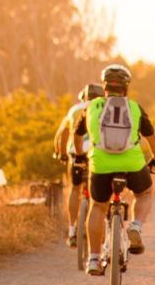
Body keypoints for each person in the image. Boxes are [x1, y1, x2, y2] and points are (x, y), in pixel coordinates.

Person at [73, 64, 155, 276]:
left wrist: (79, 156)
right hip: (132, 164)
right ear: (126, 87)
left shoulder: (91, 106)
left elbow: (77, 136)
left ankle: (94, 259)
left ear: (104, 86)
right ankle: (136, 225)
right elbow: (152, 138)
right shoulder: (134, 108)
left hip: (101, 164)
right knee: (145, 193)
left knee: (98, 206)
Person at [53, 83, 103, 249]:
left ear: (84, 97)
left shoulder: (75, 109)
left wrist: (59, 153)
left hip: (76, 152)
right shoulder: (104, 107)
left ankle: (72, 229)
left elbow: (62, 133)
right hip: (97, 153)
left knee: (75, 188)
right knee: (100, 195)